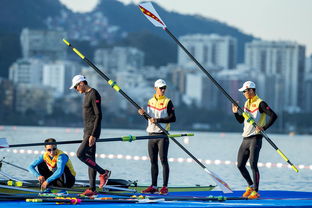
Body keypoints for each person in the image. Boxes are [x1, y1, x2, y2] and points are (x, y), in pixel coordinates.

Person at [232, 81, 277, 199]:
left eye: (244, 91)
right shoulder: (247, 103)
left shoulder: (260, 103)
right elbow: (241, 121)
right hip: (245, 138)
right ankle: (250, 186)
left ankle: (256, 192)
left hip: (256, 138)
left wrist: (264, 127)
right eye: (242, 92)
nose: (243, 93)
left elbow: (274, 116)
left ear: (251, 90)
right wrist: (236, 113)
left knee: (253, 164)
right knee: (240, 165)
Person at [70, 75, 111, 196]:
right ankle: (92, 189)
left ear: (82, 83)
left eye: (76, 87)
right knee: (90, 159)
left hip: (92, 132)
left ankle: (103, 172)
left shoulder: (94, 94)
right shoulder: (86, 95)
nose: (76, 89)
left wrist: (93, 135)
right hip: (86, 131)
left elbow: (99, 115)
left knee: (80, 154)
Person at [138, 79, 176, 195]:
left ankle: (164, 187)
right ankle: (154, 186)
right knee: (153, 161)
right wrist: (143, 114)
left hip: (162, 135)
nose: (163, 90)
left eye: (164, 88)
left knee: (163, 160)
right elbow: (150, 120)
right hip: (151, 135)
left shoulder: (168, 101)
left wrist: (158, 120)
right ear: (155, 89)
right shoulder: (150, 101)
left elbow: (173, 118)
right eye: (161, 88)